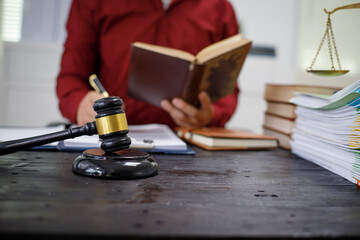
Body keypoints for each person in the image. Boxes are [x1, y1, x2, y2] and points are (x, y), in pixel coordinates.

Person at [56, 0, 240, 129]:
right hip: (111, 141)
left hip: (189, 144)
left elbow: (228, 92)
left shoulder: (220, 8)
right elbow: (71, 77)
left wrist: (209, 115)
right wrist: (80, 104)